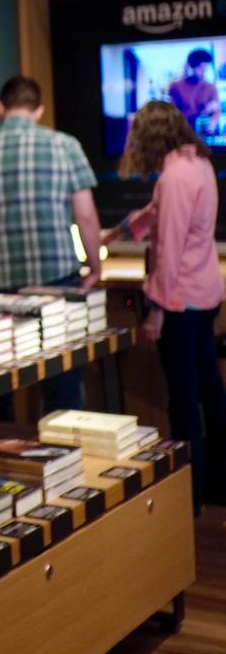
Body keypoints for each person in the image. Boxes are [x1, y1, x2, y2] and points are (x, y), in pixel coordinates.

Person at [0, 74, 103, 424]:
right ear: (38, 110)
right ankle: (64, 470)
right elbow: (85, 216)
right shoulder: (65, 145)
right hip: (57, 282)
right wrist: (96, 266)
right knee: (63, 385)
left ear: (0, 108)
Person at [105, 100, 226, 513]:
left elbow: (169, 248)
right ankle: (215, 485)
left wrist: (156, 308)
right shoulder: (198, 164)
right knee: (210, 390)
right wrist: (117, 231)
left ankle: (187, 499)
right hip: (204, 294)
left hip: (181, 301)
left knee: (183, 398)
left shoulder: (174, 177)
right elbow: (157, 216)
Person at [168, 48, 219, 135]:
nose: (203, 72)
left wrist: (213, 123)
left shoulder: (211, 87)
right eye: (200, 68)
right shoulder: (176, 86)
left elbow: (216, 111)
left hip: (204, 132)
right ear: (190, 66)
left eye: (205, 68)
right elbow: (171, 111)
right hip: (183, 131)